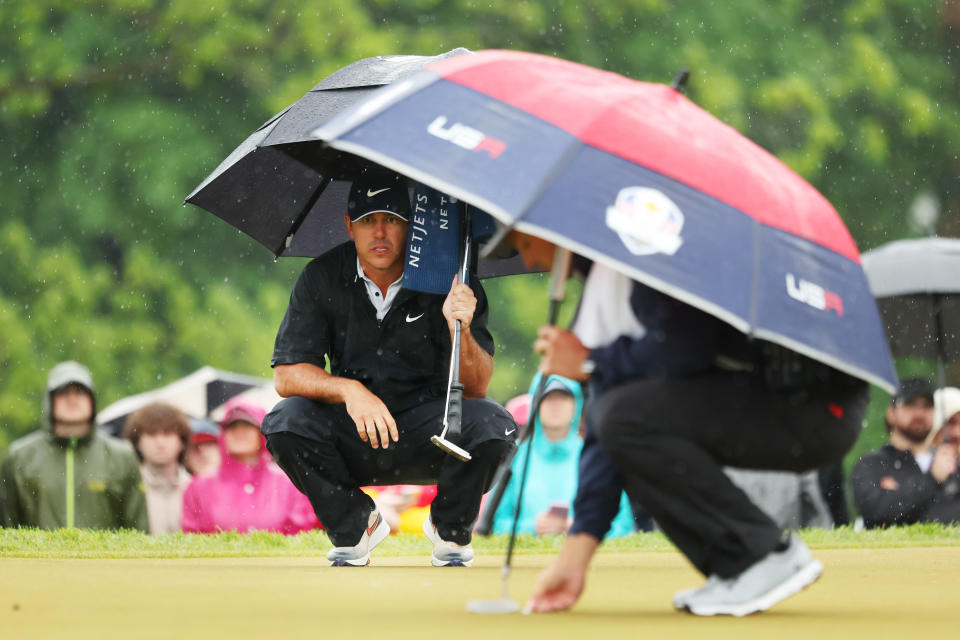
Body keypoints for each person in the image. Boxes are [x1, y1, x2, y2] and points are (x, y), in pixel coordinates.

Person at [504, 232, 869, 617]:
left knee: (626, 418)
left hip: (816, 407)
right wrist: (573, 561)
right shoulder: (607, 282)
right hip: (785, 404)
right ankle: (740, 565)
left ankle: (760, 557)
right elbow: (606, 427)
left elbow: (687, 345)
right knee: (621, 420)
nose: (527, 262)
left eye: (525, 245)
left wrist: (591, 362)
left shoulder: (646, 253)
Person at [261, 170, 516, 566]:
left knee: (495, 426)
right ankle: (355, 523)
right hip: (354, 429)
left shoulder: (450, 278)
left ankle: (450, 528)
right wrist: (350, 391)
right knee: (284, 422)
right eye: (368, 220)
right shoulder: (321, 276)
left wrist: (457, 328)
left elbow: (478, 385)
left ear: (411, 225)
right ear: (349, 227)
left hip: (431, 433)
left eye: (392, 220)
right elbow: (287, 375)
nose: (379, 232)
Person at [0, 361, 148, 531]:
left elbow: (138, 529)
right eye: (63, 393)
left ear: (92, 399)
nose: (72, 399)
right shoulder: (20, 457)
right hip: (38, 558)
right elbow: (6, 527)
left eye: (80, 392)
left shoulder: (121, 456)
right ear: (49, 400)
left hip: (101, 558)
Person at [491, 375, 635, 538]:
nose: (555, 405)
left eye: (563, 397)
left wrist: (582, 527)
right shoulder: (514, 457)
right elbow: (494, 524)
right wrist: (531, 528)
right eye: (547, 398)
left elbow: (623, 526)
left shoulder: (596, 458)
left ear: (576, 404)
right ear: (535, 405)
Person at [851, 380, 960, 527]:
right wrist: (933, 479)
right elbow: (877, 514)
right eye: (910, 404)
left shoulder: (951, 465)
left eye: (927, 406)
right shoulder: (871, 464)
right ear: (891, 413)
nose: (920, 413)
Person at [122, 402, 193, 534]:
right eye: (151, 434)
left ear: (182, 441)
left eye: (168, 434)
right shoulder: (126, 489)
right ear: (137, 442)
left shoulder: (194, 488)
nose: (160, 443)